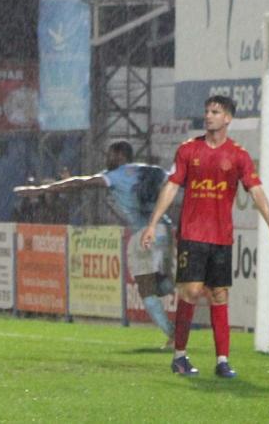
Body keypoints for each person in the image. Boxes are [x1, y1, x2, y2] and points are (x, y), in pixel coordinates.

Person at [141, 95, 269, 378]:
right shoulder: (188, 150)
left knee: (219, 295)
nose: (208, 116)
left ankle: (222, 361)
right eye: (207, 111)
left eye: (215, 112)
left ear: (228, 118)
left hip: (221, 237)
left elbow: (256, 192)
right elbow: (171, 187)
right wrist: (153, 223)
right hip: (193, 234)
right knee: (192, 291)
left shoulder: (239, 155)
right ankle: (180, 355)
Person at [16, 140, 177, 346]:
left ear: (120, 156)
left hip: (144, 233)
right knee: (161, 284)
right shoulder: (149, 170)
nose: (106, 158)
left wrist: (43, 189)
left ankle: (174, 333)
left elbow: (82, 183)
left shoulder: (115, 175)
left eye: (110, 154)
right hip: (163, 229)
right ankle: (178, 293)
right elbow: (174, 183)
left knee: (147, 289)